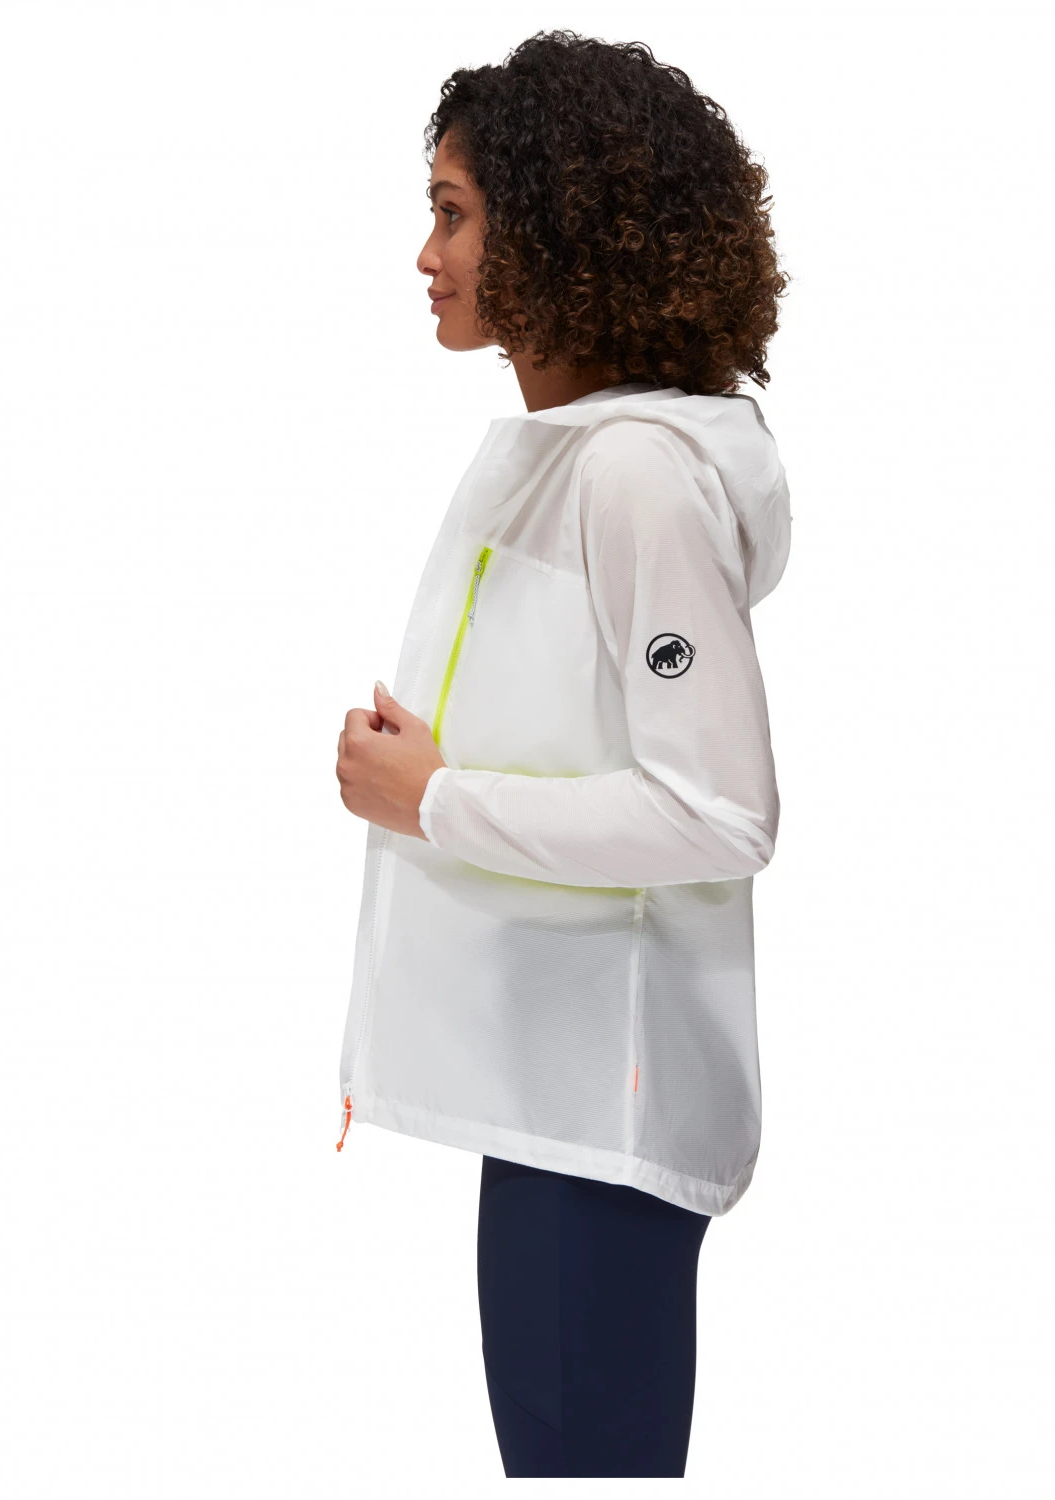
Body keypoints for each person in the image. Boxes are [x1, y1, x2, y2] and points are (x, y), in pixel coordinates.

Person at [333, 30, 791, 1478]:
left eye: (454, 213)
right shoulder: (577, 454)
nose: (426, 255)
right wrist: (443, 770)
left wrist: (439, 800)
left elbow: (721, 811)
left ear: (555, 229)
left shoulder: (635, 472)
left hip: (608, 1108)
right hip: (554, 1094)